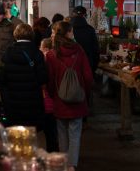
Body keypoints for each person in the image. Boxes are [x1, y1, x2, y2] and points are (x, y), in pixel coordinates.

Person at [46, 21, 93, 171]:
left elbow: (49, 80)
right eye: (71, 31)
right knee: (75, 134)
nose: (73, 33)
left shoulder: (52, 54)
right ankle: (71, 165)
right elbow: (88, 76)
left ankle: (63, 163)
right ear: (67, 33)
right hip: (78, 100)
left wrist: (54, 95)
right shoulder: (79, 50)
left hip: (60, 100)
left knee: (61, 133)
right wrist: (83, 93)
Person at [0, 24, 47, 128]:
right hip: (32, 100)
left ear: (15, 35)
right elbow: (42, 78)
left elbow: (1, 77)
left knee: (14, 131)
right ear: (31, 35)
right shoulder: (37, 53)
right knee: (30, 131)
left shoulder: (8, 53)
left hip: (12, 100)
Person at [39, 37, 59, 153]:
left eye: (40, 47)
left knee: (49, 131)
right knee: (54, 132)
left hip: (47, 102)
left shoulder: (45, 60)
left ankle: (52, 154)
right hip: (56, 101)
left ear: (46, 49)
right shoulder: (57, 59)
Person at [70, 6, 100, 72]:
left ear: (73, 14)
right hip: (87, 63)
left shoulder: (67, 29)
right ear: (84, 15)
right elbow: (95, 49)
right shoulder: (90, 29)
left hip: (70, 64)